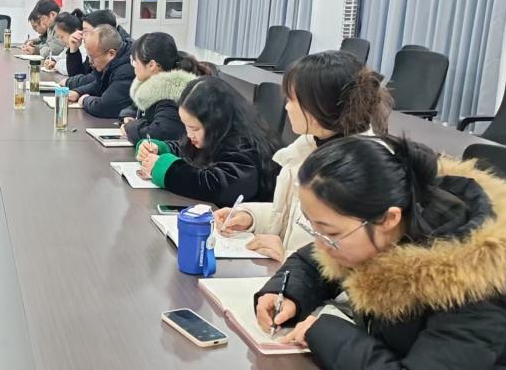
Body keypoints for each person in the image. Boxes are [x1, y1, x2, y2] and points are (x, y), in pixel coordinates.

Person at [253, 136, 506, 370]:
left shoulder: (474, 282)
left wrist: (323, 332)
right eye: (313, 228)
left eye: (329, 233)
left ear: (389, 219)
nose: (320, 244)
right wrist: (286, 292)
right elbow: (312, 260)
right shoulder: (388, 221)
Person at [215, 51, 392, 260]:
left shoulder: (364, 170)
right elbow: (291, 216)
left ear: (319, 107)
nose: (286, 107)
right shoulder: (309, 147)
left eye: (292, 100)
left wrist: (288, 256)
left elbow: (355, 257)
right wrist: (250, 217)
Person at [137, 77, 279, 207]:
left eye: (194, 128)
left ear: (215, 122)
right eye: (186, 126)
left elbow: (220, 186)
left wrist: (170, 171)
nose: (189, 134)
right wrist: (162, 148)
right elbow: (189, 151)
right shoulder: (214, 135)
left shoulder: (244, 144)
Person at [118, 32, 213, 144]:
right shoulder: (153, 86)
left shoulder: (172, 93)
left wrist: (130, 127)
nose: (133, 65)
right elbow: (135, 107)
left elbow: (160, 134)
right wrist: (129, 115)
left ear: (152, 65)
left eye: (134, 60)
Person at [63, 24, 135, 119]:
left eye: (93, 57)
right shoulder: (114, 61)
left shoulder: (127, 69)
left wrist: (85, 100)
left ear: (111, 53)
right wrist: (78, 92)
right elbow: (99, 84)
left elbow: (106, 107)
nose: (90, 62)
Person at [64, 9, 133, 78]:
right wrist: (74, 50)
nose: (82, 36)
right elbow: (82, 74)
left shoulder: (124, 52)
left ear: (102, 31)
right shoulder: (97, 45)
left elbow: (92, 79)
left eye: (85, 31)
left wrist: (69, 82)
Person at [42, 11, 83, 75]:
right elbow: (61, 57)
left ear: (75, 32)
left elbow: (69, 68)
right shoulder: (68, 46)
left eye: (62, 37)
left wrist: (56, 64)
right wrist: (52, 60)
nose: (61, 40)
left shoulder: (82, 47)